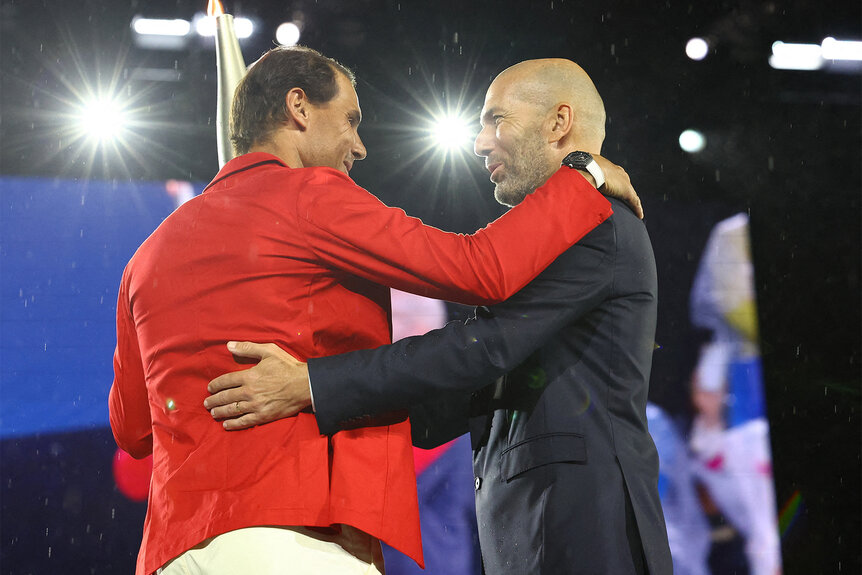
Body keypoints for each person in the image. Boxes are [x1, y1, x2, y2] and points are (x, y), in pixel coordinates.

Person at [109, 46, 641, 575]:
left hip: (174, 552)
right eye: (350, 120)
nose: (359, 147)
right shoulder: (313, 196)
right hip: (296, 536)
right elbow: (481, 269)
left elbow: (133, 431)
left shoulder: (144, 259)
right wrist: (583, 174)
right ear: (299, 107)